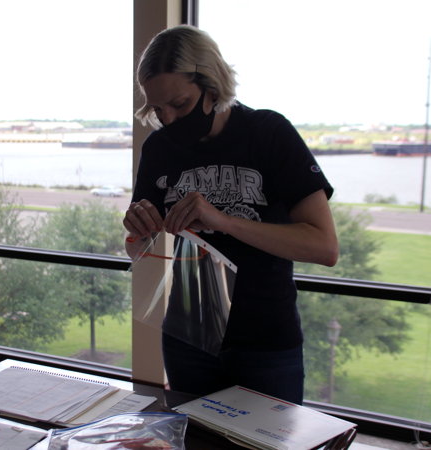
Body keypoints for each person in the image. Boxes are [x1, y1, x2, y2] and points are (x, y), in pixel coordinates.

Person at [123, 24, 338, 405]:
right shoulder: (159, 148)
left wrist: (222, 220)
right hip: (187, 336)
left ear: (212, 85)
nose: (169, 119)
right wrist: (138, 234)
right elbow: (142, 250)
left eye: (180, 104)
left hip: (266, 341)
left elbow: (324, 247)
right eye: (157, 109)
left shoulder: (268, 133)